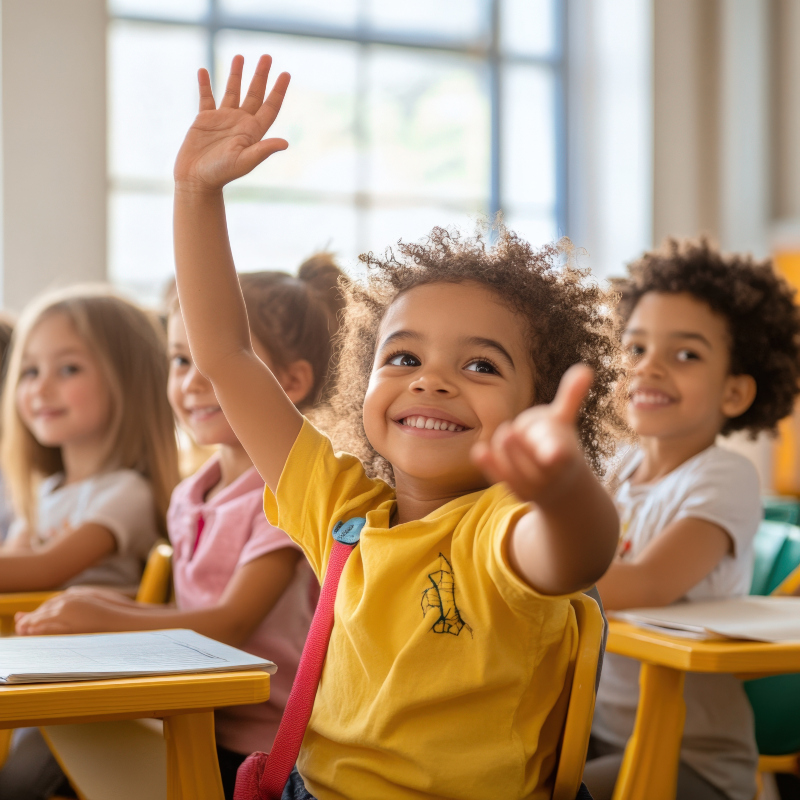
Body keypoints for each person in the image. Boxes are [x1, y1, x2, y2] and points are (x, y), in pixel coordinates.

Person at [171, 54, 621, 799]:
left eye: (481, 366)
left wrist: (565, 485)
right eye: (404, 355)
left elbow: (580, 554)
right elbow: (224, 353)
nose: (431, 380)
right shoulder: (341, 510)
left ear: (536, 408)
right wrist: (194, 194)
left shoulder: (501, 530)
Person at [16, 261, 343, 799]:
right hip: (198, 716)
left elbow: (230, 625)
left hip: (268, 748)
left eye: (219, 364)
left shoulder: (286, 497)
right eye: (180, 360)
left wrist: (106, 616)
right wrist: (99, 605)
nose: (193, 382)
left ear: (291, 382)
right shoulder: (192, 493)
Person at [583, 239, 800, 800]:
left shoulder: (724, 476)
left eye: (686, 355)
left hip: (690, 761)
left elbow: (647, 584)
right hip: (601, 736)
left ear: (734, 392)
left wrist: (527, 572)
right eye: (635, 348)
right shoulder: (617, 468)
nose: (648, 366)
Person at [0, 285, 180, 799]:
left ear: (128, 381)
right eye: (30, 371)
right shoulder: (49, 491)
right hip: (33, 675)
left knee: (15, 785)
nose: (41, 387)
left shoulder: (126, 492)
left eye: (69, 369)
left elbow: (43, 571)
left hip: (82, 699)